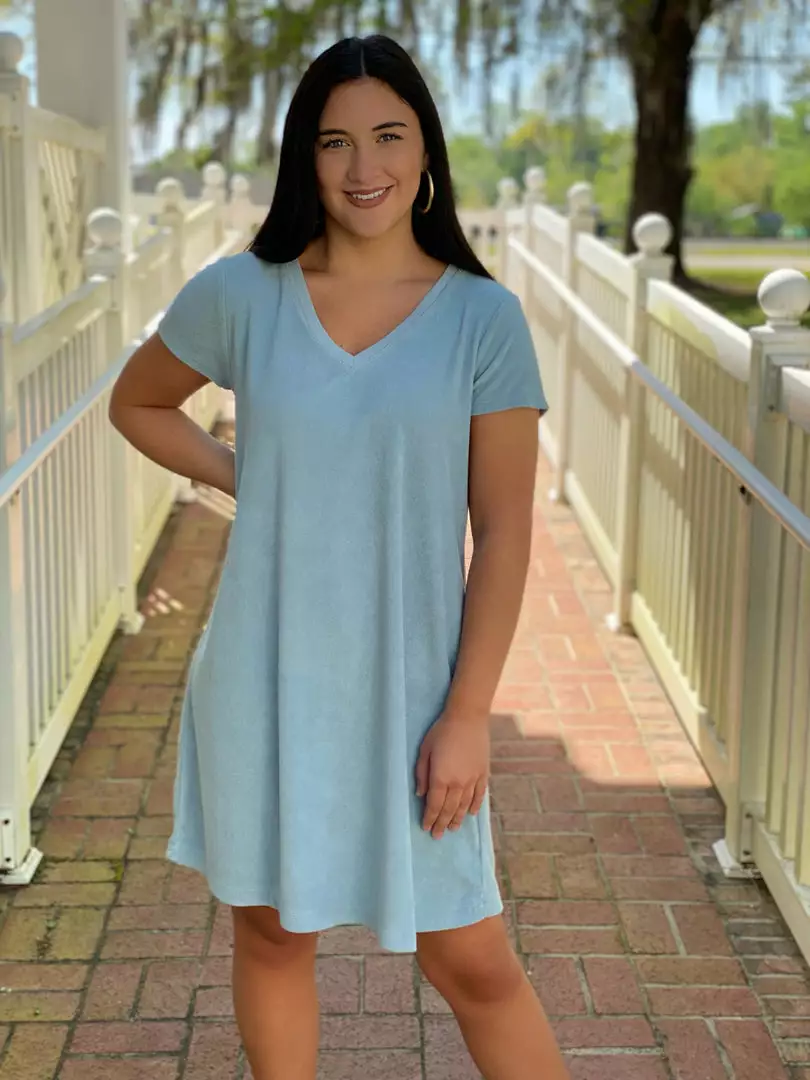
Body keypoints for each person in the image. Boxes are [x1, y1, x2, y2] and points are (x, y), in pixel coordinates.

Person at [109, 33, 569, 1080]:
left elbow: (504, 530)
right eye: (334, 142)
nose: (364, 167)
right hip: (263, 678)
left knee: (471, 959)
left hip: (416, 697)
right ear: (303, 158)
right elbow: (138, 402)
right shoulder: (242, 294)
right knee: (274, 935)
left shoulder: (483, 319)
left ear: (426, 149)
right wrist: (248, 476)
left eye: (389, 136)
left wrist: (468, 715)